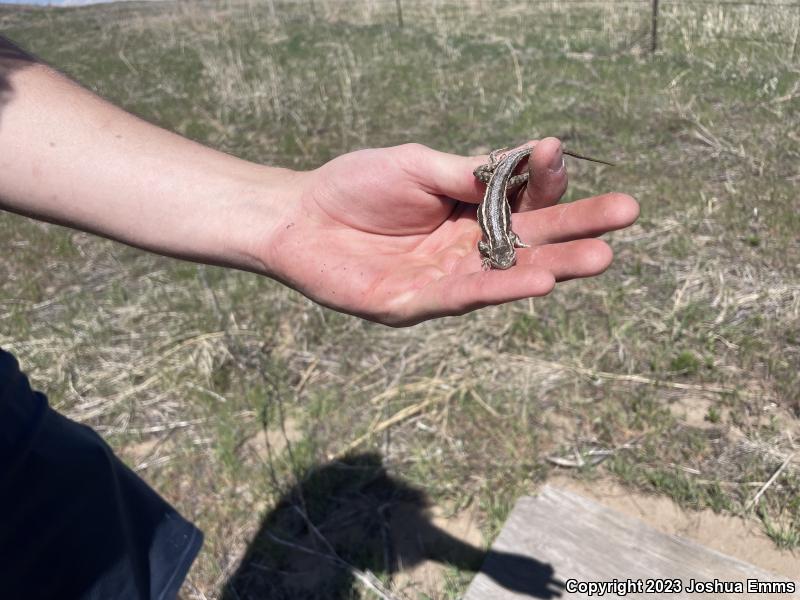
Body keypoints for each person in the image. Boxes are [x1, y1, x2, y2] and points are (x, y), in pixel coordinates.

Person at [0, 36, 638, 599]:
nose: (496, 253)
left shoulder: (494, 223)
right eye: (496, 250)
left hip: (31, 477)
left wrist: (291, 209)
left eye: (495, 251)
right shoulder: (492, 228)